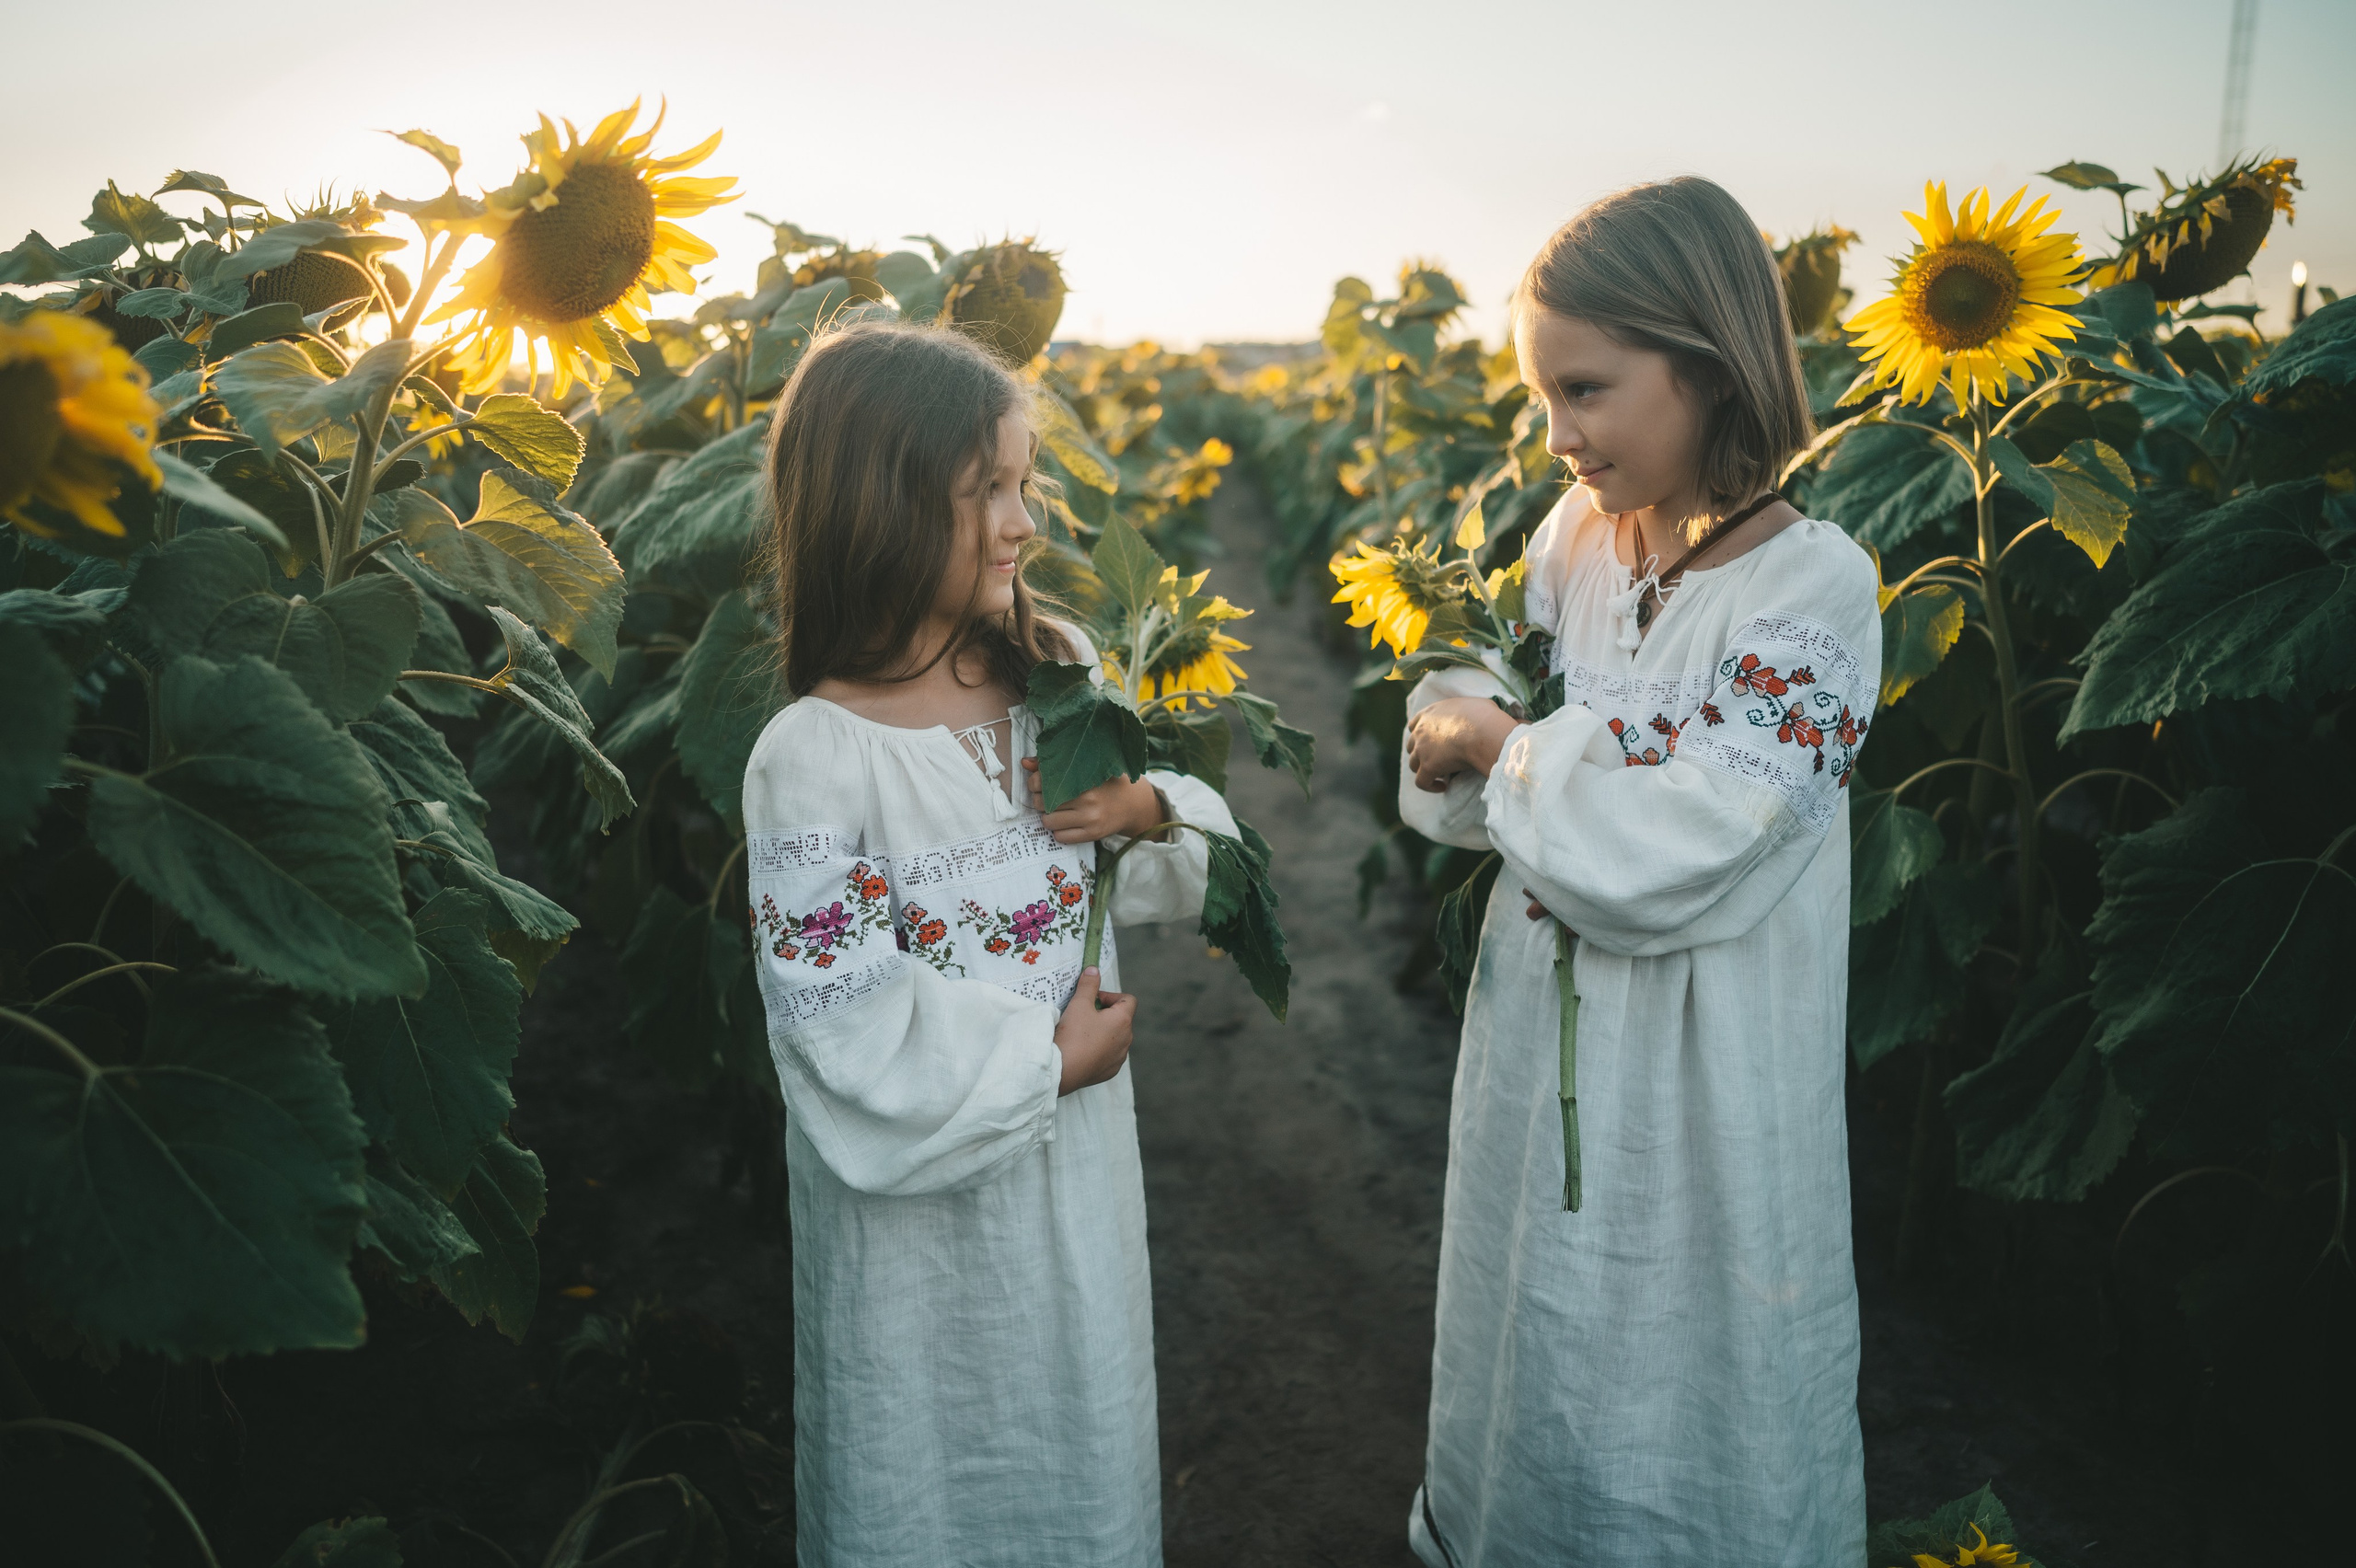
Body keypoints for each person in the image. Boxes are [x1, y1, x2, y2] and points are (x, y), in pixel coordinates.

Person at [1397, 178, 1881, 1566]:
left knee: (1677, 1355)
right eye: (1545, 395)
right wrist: (1478, 741)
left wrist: (1505, 753)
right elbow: (1470, 709)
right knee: (1540, 1323)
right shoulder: (1577, 543)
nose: (1558, 436)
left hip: (1704, 1070)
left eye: (1589, 390)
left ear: (1710, 364)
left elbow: (1703, 847)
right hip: (1539, 1023)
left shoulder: (1811, 590)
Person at [740, 320, 1234, 1567]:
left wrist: (1149, 807)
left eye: (1023, 485)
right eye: (988, 494)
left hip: (1072, 1180)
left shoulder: (1053, 672)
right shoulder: (813, 755)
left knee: (1075, 1427)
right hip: (915, 1215)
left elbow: (1162, 879)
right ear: (880, 510)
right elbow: (838, 1022)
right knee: (931, 1456)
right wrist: (1047, 1066)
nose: (1024, 523)